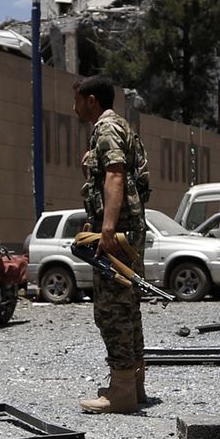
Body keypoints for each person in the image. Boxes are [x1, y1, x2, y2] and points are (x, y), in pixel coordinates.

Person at [74, 75, 151, 414]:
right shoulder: (123, 127)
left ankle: (121, 392)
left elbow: (116, 174)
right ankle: (133, 384)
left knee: (112, 310)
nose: (72, 106)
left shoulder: (106, 129)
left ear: (91, 100)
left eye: (76, 99)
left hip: (118, 235)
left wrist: (107, 229)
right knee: (129, 308)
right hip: (130, 230)